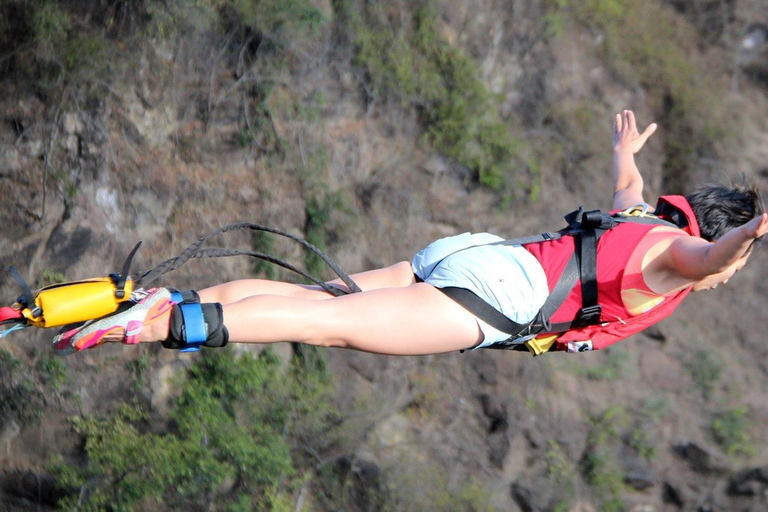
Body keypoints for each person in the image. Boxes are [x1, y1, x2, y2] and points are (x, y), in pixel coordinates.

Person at [53, 110, 768, 356]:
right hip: (495, 296)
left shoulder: (645, 219)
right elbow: (711, 258)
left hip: (480, 255)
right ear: (718, 235)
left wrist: (624, 157)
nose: (732, 272)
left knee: (313, 297)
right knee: (320, 323)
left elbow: (628, 190)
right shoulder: (681, 259)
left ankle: (168, 298)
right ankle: (162, 324)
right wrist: (754, 234)